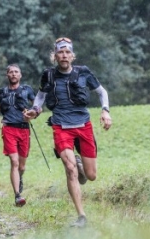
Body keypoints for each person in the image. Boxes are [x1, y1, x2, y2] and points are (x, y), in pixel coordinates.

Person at [24, 37, 112, 228]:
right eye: (60, 52)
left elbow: (102, 92)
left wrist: (105, 111)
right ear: (54, 56)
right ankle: (81, 216)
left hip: (83, 125)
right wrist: (35, 110)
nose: (64, 56)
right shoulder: (48, 75)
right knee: (70, 170)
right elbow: (40, 96)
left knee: (91, 176)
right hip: (61, 126)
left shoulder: (84, 72)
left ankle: (80, 163)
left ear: (72, 55)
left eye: (67, 52)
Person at [0, 64, 36, 207]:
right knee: (14, 162)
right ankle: (17, 195)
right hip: (8, 128)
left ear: (20, 75)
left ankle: (20, 178)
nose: (14, 74)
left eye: (16, 72)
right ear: (7, 75)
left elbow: (37, 106)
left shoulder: (27, 90)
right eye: (11, 72)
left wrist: (31, 115)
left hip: (23, 129)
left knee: (21, 166)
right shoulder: (1, 92)